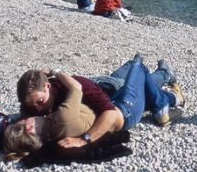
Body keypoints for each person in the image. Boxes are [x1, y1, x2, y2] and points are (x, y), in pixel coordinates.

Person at [17, 56, 185, 148]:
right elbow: (111, 114)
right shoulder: (34, 106)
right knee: (138, 68)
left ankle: (161, 84)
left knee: (131, 76)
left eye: (40, 101)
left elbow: (105, 109)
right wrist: (85, 139)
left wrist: (84, 139)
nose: (38, 109)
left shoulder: (76, 86)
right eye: (33, 106)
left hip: (105, 91)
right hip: (120, 107)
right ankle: (165, 95)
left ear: (48, 86)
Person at [3, 70, 96, 161]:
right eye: (24, 119)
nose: (38, 110)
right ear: (29, 127)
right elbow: (76, 87)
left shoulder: (53, 138)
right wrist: (54, 72)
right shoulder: (63, 116)